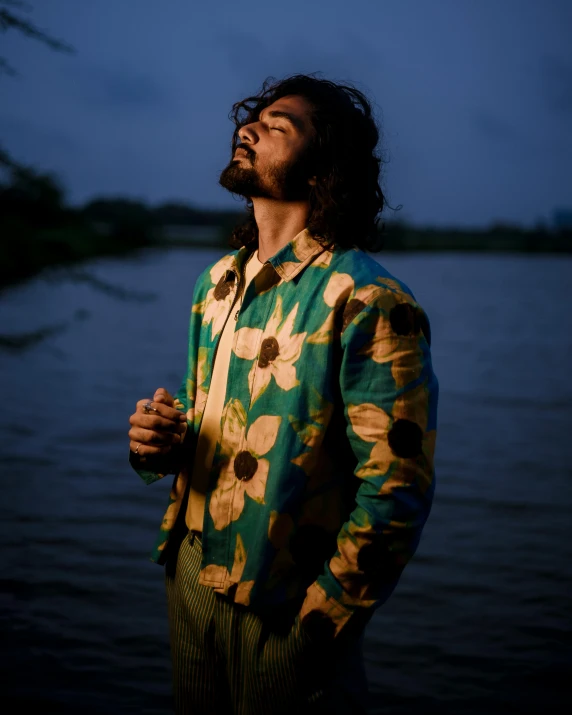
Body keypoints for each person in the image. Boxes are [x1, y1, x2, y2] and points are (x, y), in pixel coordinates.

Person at [127, 73, 439, 715]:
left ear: (323, 168)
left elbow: (397, 486)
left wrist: (321, 620)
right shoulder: (216, 282)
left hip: (286, 593)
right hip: (189, 565)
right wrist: (158, 442)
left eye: (277, 127)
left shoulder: (367, 300)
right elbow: (200, 419)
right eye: (253, 120)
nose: (248, 130)